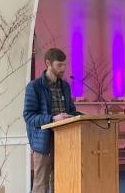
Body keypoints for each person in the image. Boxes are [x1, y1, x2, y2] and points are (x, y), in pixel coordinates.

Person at [23, 48, 83, 193]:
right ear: (48, 63)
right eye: (59, 65)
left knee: (61, 180)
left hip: (65, 140)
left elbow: (70, 111)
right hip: (43, 142)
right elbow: (29, 115)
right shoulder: (34, 86)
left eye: (64, 65)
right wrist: (53, 118)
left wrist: (82, 116)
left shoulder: (65, 86)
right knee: (41, 184)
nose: (63, 69)